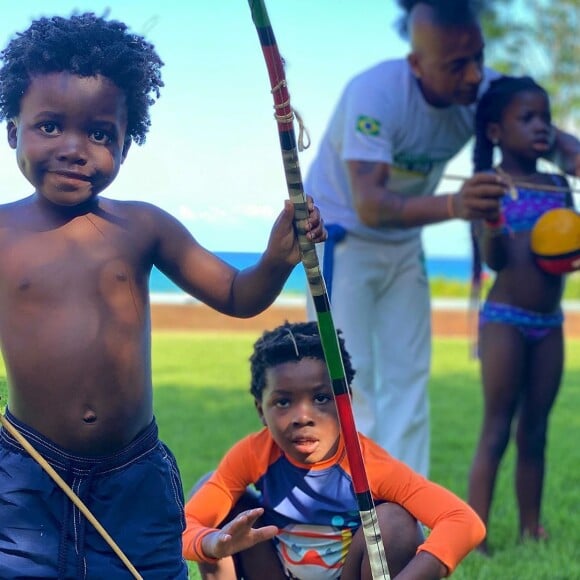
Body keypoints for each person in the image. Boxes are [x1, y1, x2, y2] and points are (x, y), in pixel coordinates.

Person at [0, 12, 326, 579]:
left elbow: (236, 292)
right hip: (28, 474)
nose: (76, 148)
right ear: (12, 131)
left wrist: (276, 259)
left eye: (100, 133)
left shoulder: (144, 226)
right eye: (50, 126)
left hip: (134, 475)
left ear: (126, 145)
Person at [304, 0, 580, 477]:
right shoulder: (375, 94)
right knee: (351, 381)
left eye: (478, 57)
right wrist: (456, 205)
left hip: (404, 243)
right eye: (457, 66)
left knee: (410, 379)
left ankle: (406, 515)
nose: (474, 77)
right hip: (340, 240)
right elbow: (371, 203)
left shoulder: (485, 91)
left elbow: (557, 144)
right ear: (417, 65)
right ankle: (353, 512)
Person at [183, 321, 486, 580]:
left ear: (345, 401)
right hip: (275, 570)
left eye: (320, 398)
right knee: (215, 500)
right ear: (261, 410)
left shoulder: (369, 464)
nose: (303, 416)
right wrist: (213, 544)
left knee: (396, 521)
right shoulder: (253, 454)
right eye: (283, 402)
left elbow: (463, 521)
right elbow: (186, 526)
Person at [466, 75, 576, 554]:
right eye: (526, 117)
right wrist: (490, 221)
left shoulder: (557, 184)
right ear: (495, 131)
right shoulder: (489, 187)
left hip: (549, 324)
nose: (540, 127)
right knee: (497, 429)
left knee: (536, 429)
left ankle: (531, 527)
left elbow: (567, 250)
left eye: (545, 118)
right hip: (506, 321)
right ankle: (477, 533)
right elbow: (493, 258)